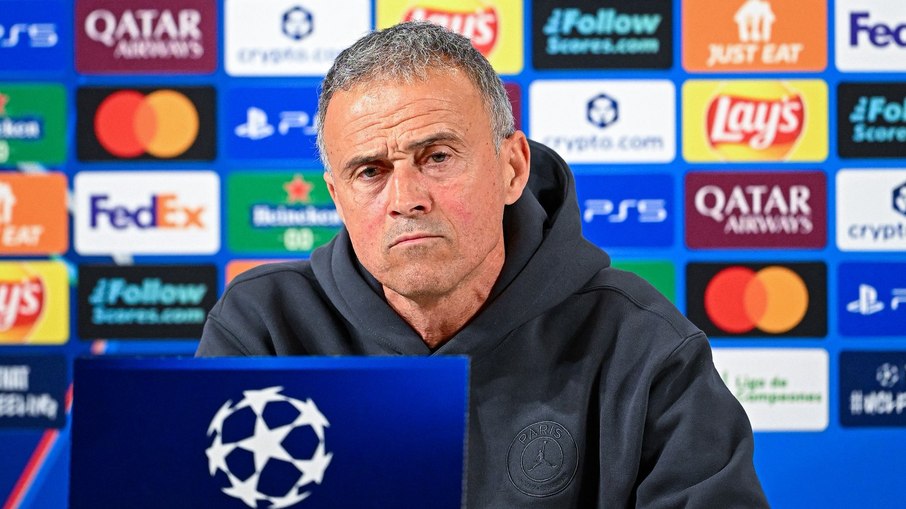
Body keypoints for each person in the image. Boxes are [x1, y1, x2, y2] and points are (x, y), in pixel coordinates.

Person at [197, 21, 769, 508]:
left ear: (512, 168)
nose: (406, 199)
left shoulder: (642, 345)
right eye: (370, 171)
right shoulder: (263, 330)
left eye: (437, 157)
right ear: (337, 197)